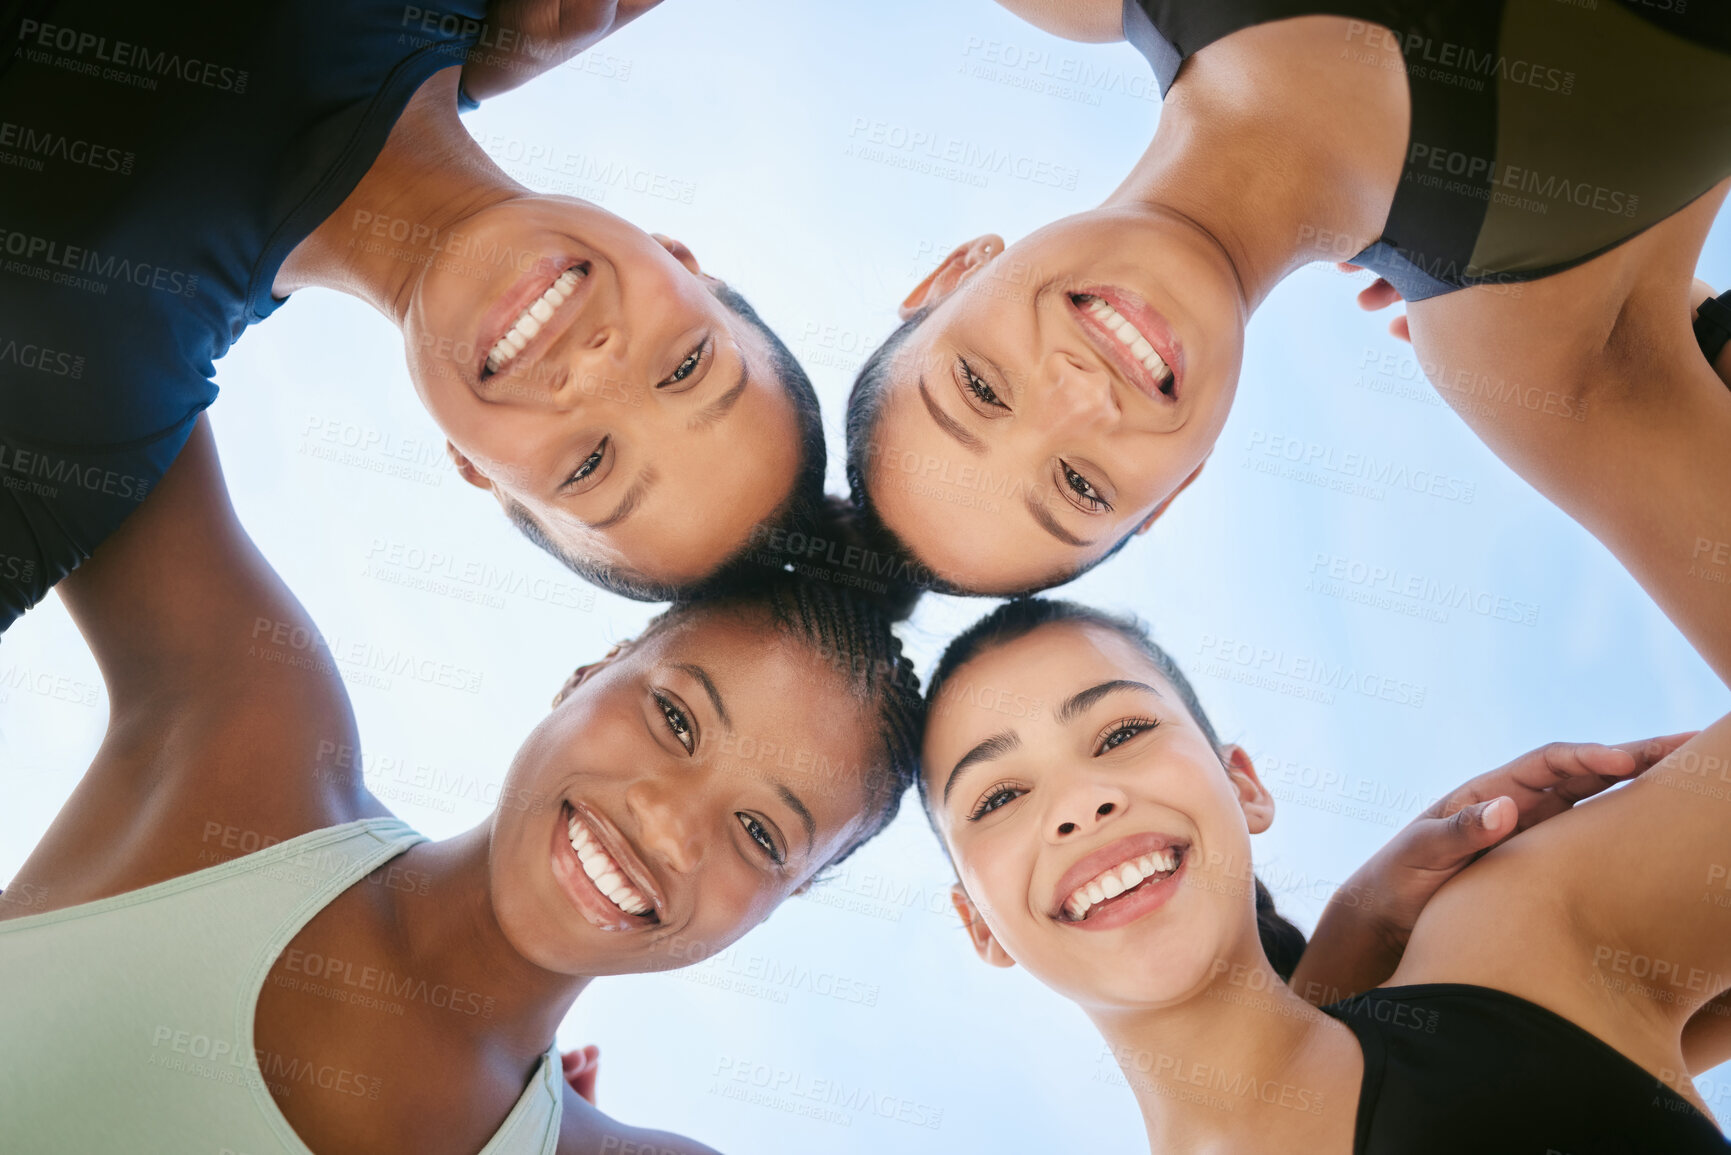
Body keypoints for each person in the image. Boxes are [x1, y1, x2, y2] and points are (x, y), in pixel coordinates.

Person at [0, 414, 922, 1154]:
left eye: (762, 836)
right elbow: (97, 341)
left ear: (781, 902)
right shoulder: (249, 733)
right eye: (676, 719)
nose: (669, 825)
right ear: (587, 674)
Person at [843, 0, 1731, 683]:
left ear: (953, 275)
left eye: (983, 389)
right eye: (1079, 484)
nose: (1081, 395)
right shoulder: (1531, 350)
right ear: (1175, 490)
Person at [0, 0, 824, 633]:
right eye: (685, 367)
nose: (596, 371)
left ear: (478, 472)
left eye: (588, 467)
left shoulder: (88, 422)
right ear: (680, 258)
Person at [919, 596, 1731, 1152]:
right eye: (998, 797)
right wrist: (1353, 937)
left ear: (1243, 785)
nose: (1079, 802)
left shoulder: (1514, 933)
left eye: (1120, 730)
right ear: (978, 925)